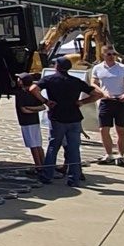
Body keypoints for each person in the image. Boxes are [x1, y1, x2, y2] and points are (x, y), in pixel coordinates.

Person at [36, 55, 98, 188]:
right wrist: (82, 102)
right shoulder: (76, 81)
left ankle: (47, 175)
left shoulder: (50, 79)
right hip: (74, 116)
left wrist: (45, 101)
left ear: (56, 66)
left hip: (57, 117)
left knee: (53, 146)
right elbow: (97, 94)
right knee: (74, 148)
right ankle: (74, 178)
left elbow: (33, 89)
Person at [89, 44, 124, 164]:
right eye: (109, 54)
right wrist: (102, 92)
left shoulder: (123, 68)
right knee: (104, 129)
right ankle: (109, 154)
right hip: (106, 101)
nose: (112, 56)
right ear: (103, 55)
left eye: (114, 54)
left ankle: (121, 155)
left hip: (120, 101)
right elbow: (93, 83)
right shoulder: (98, 68)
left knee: (121, 130)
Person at [14, 71, 46, 168]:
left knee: (33, 145)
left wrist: (30, 109)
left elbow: (24, 110)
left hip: (26, 122)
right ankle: (44, 164)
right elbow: (42, 107)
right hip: (34, 121)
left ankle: (38, 165)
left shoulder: (20, 93)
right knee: (38, 144)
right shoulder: (33, 92)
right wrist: (34, 110)